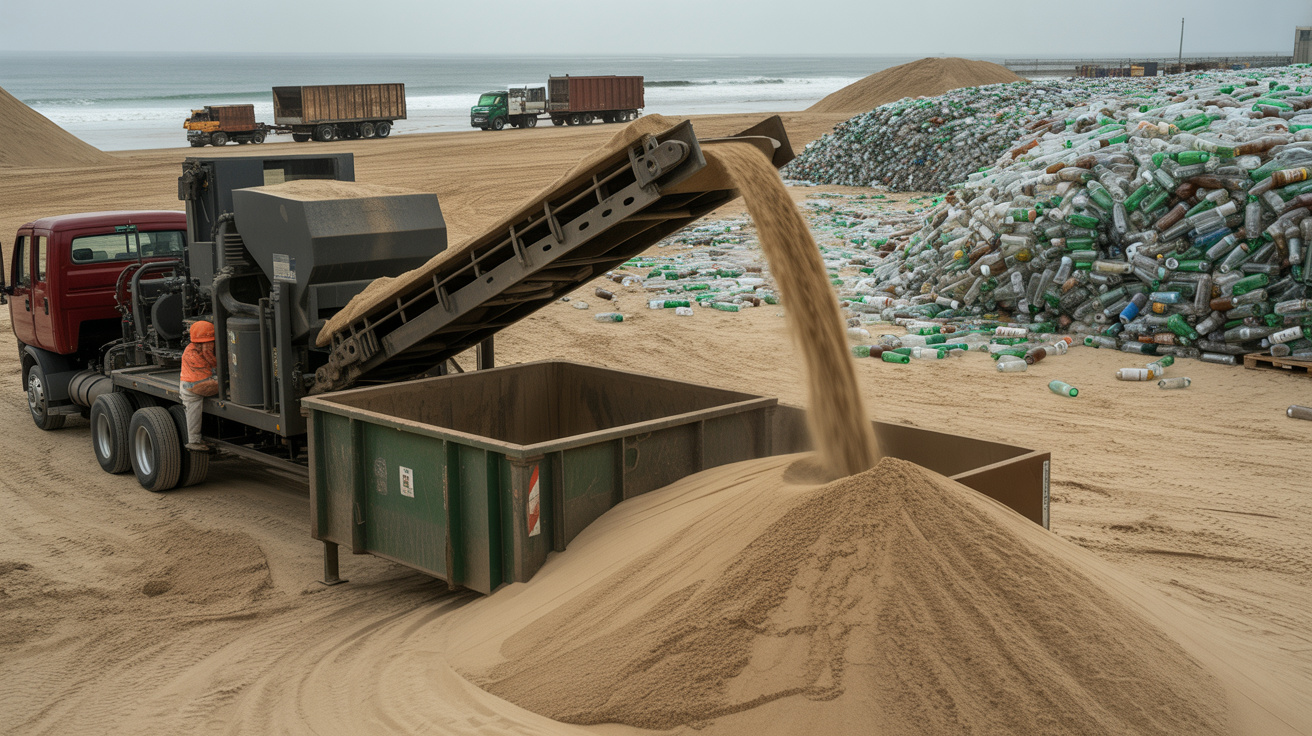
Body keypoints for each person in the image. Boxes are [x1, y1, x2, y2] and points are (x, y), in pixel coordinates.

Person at [180, 321, 218, 452]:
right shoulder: (192, 353)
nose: (211, 345)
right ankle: (194, 441)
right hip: (193, 386)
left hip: (195, 383)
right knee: (193, 411)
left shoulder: (196, 348)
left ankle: (195, 439)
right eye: (209, 342)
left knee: (194, 410)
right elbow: (212, 367)